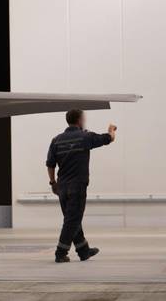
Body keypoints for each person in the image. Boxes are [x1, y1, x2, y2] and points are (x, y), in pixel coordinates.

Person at [47, 109, 117, 263]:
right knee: (72, 220)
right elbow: (109, 139)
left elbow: (50, 164)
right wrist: (111, 130)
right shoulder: (85, 137)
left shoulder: (56, 140)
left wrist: (53, 183)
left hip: (62, 187)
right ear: (79, 120)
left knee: (72, 218)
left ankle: (83, 251)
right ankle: (60, 252)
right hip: (77, 186)